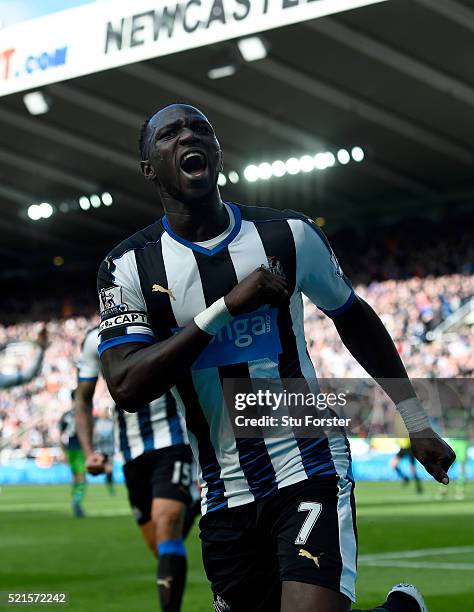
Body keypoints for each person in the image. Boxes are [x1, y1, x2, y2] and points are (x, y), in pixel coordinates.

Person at [96, 103, 455, 612]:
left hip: (306, 455)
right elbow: (127, 386)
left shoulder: (288, 234)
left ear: (217, 153)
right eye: (170, 133)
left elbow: (354, 317)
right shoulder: (128, 267)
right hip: (223, 483)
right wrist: (226, 307)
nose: (188, 136)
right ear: (149, 168)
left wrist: (415, 420)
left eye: (201, 128)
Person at [75, 327, 199, 612]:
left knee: (166, 523)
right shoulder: (95, 339)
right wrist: (88, 453)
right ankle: (193, 504)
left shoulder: (163, 318)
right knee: (161, 546)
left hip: (174, 439)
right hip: (130, 452)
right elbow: (82, 398)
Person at [59, 393, 86, 518]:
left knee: (76, 477)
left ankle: (76, 502)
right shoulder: (83, 413)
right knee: (82, 478)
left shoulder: (66, 415)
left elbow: (61, 435)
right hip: (80, 449)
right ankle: (76, 501)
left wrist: (64, 451)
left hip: (70, 449)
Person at [93, 406, 116, 495]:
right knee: (106, 468)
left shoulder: (111, 423)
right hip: (101, 450)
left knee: (110, 469)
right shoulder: (97, 424)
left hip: (110, 450)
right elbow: (94, 438)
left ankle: (109, 483)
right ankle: (108, 482)